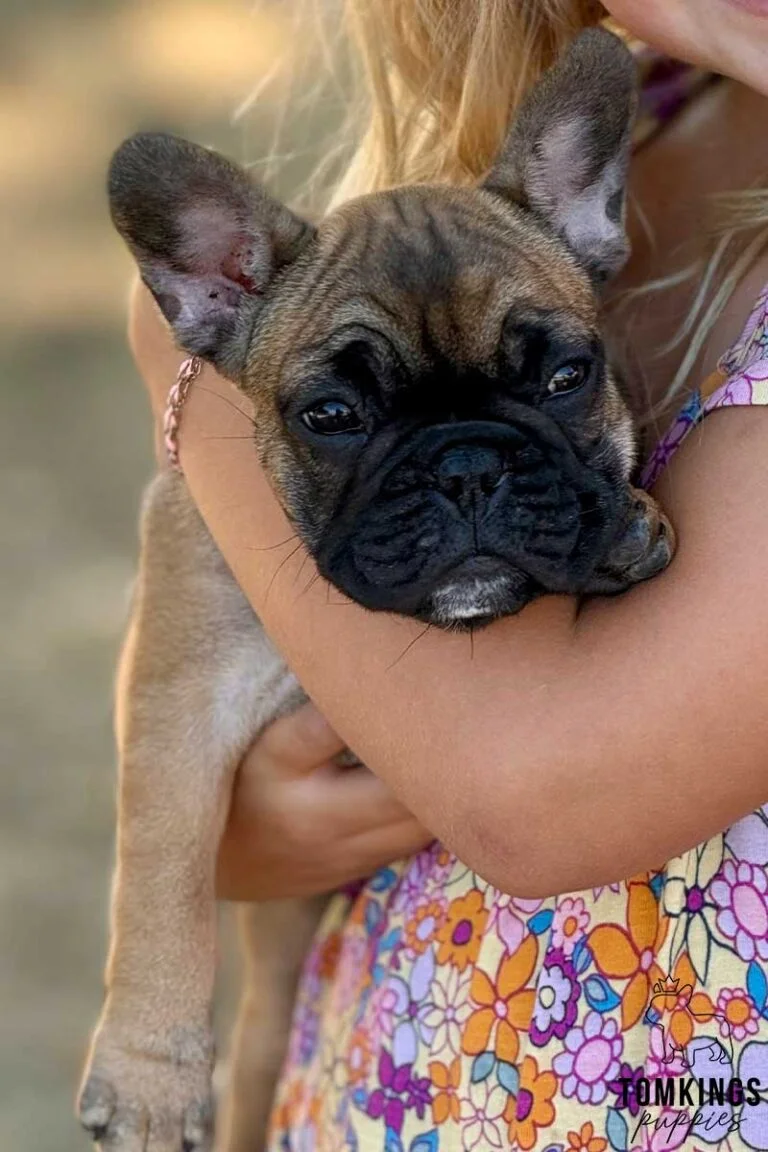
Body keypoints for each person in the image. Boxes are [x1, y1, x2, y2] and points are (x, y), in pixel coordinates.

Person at [129, 0, 768, 1145]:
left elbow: (533, 800)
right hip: (394, 1078)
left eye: (553, 384)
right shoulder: (579, 166)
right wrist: (240, 827)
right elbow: (189, 701)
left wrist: (173, 369)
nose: (467, 485)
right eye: (337, 413)